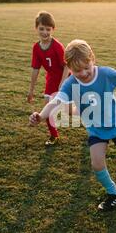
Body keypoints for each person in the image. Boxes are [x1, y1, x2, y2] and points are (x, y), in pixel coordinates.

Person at [29, 39, 116, 211]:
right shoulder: (70, 84)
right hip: (96, 129)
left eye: (86, 67)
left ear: (92, 59)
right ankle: (113, 194)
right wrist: (41, 116)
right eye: (76, 70)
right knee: (97, 165)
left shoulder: (105, 74)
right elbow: (56, 102)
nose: (83, 73)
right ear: (69, 67)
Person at [27, 11, 69, 145]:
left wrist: (62, 84)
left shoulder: (57, 46)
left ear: (53, 29)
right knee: (47, 108)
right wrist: (31, 90)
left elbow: (67, 67)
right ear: (36, 28)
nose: (45, 32)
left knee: (73, 110)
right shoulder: (36, 48)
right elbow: (35, 69)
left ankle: (95, 129)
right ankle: (54, 136)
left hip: (66, 79)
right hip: (51, 80)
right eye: (41, 29)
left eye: (48, 29)